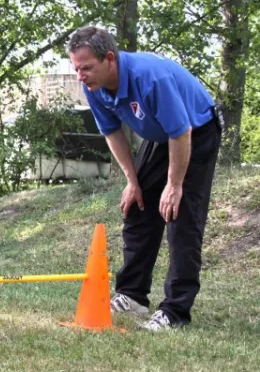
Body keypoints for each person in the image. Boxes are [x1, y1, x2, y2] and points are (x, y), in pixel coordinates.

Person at [67, 26, 221, 331]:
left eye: (86, 67)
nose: (80, 76)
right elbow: (112, 131)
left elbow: (181, 131)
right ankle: (132, 295)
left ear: (109, 58)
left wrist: (174, 186)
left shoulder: (150, 78)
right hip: (163, 135)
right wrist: (132, 181)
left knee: (180, 215)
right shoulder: (94, 86)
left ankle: (175, 312)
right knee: (137, 206)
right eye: (76, 68)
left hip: (195, 131)